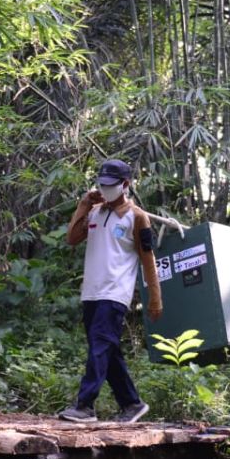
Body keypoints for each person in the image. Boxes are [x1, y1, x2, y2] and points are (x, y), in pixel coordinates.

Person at [57, 160, 163, 423]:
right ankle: (131, 403)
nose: (105, 190)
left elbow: (148, 259)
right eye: (102, 185)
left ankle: (85, 405)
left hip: (115, 293)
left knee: (100, 347)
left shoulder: (137, 217)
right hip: (91, 291)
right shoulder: (94, 212)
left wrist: (155, 299)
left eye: (110, 186)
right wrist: (83, 204)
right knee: (106, 348)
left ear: (125, 185)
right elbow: (71, 238)